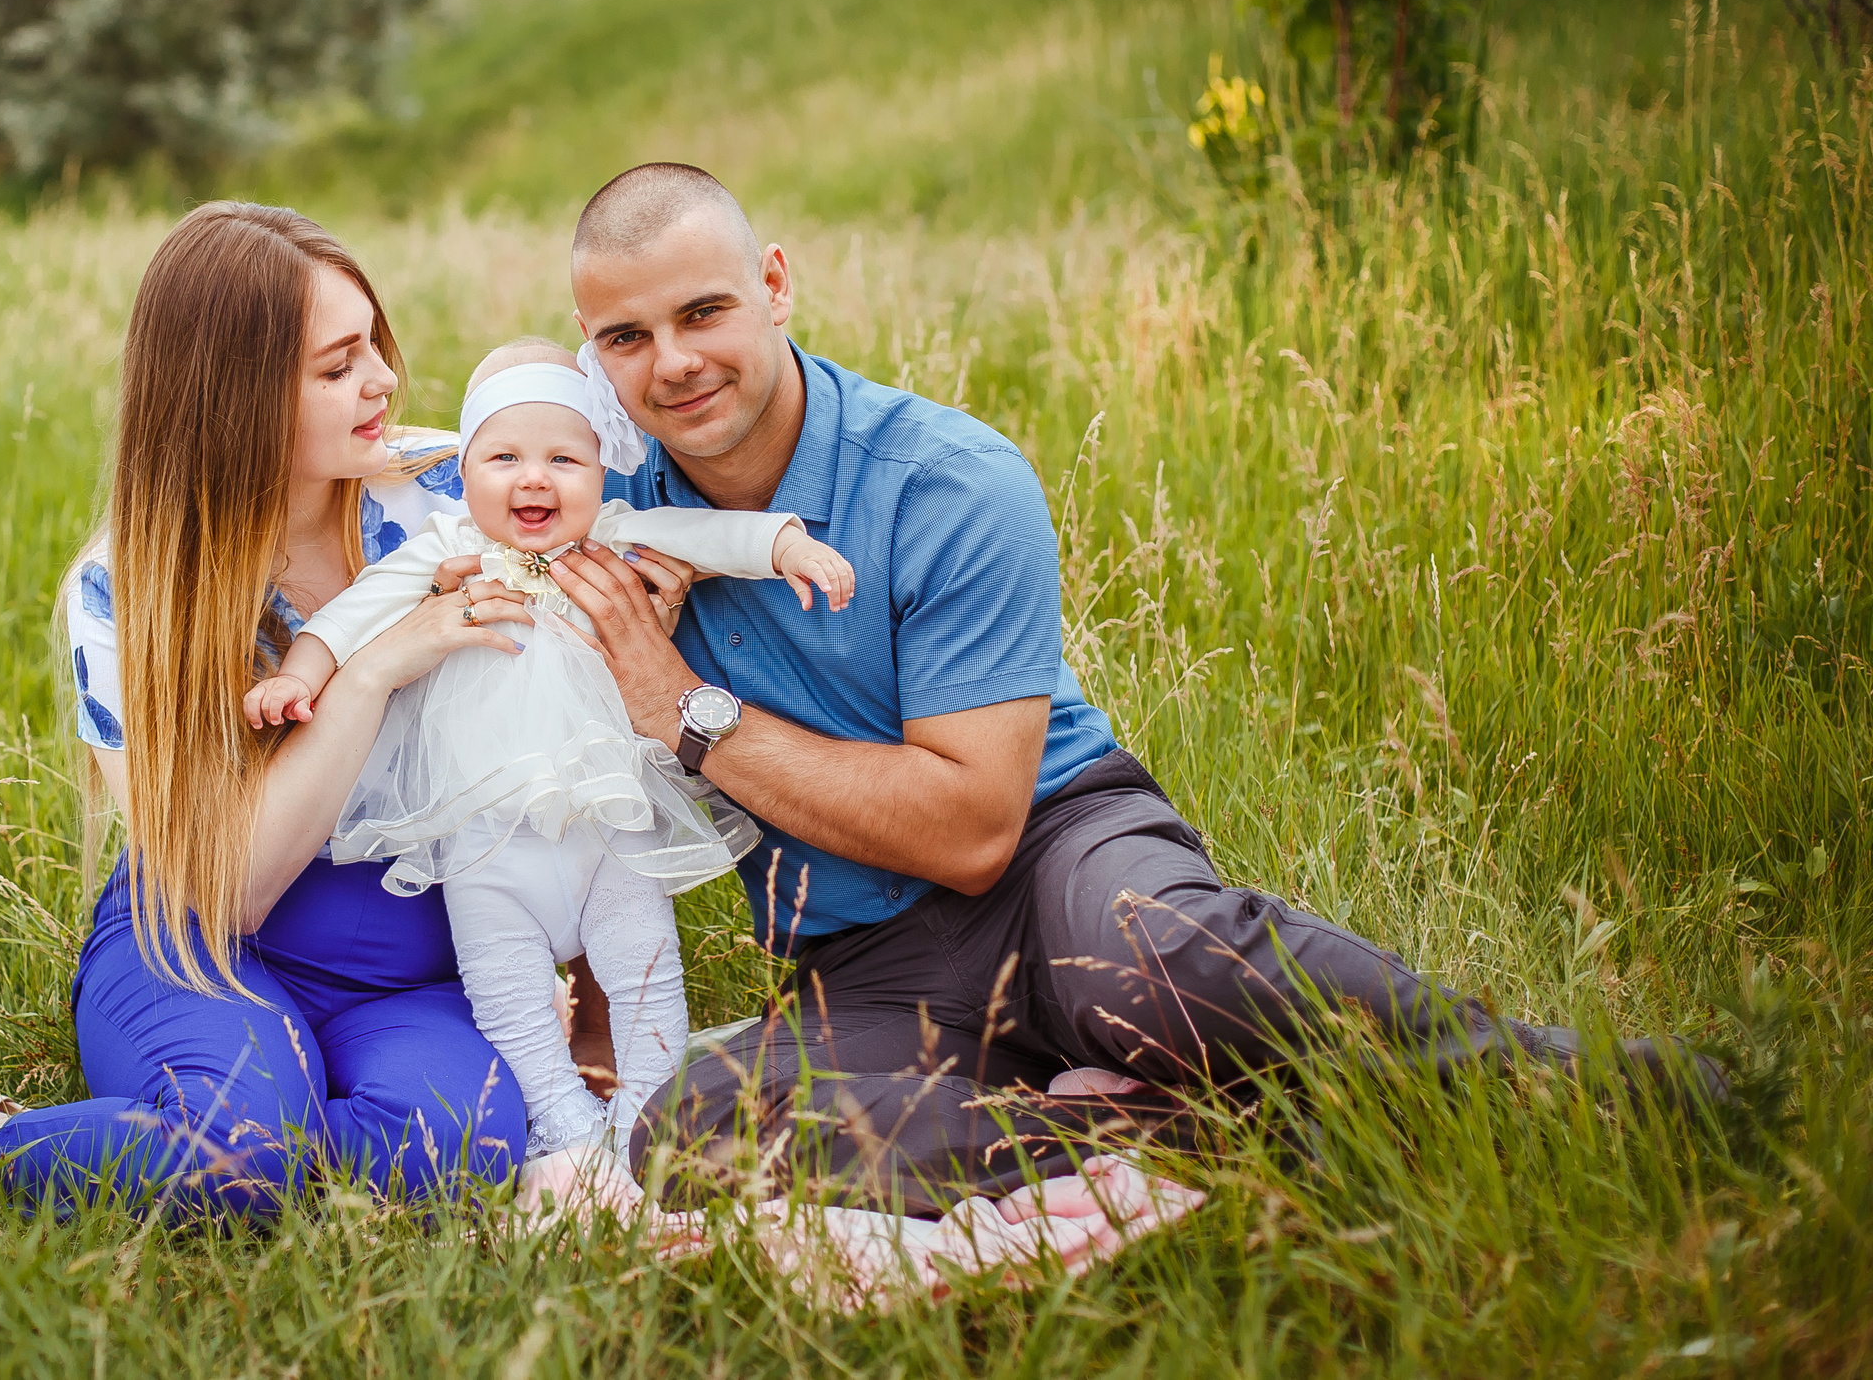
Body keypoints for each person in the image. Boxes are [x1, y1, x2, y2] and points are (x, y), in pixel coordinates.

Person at [535, 163, 1729, 1217]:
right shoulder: (607, 516)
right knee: (699, 1133)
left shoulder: (946, 478)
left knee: (1153, 957)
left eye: (703, 311)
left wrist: (682, 704)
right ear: (591, 352)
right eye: (625, 338)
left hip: (1053, 857)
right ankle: (1179, 1133)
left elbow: (971, 828)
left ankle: (1568, 1082)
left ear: (776, 284)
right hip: (868, 961)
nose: (673, 364)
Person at [0, 202, 559, 1216]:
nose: (383, 380)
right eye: (338, 365)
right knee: (246, 1153)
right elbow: (229, 893)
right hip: (200, 943)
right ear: (240, 399)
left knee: (453, 1149)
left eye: (375, 347)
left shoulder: (455, 499)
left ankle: (196, 1146)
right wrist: (367, 670)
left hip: (407, 968)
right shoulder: (129, 592)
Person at [245, 336, 853, 1161]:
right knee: (505, 988)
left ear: (602, 473)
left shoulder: (614, 535)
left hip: (608, 821)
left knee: (646, 965)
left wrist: (786, 546)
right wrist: (300, 675)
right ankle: (559, 1116)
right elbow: (352, 613)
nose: (534, 477)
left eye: (565, 457)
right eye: (503, 456)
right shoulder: (445, 550)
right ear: (465, 474)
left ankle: (648, 1112)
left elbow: (710, 535)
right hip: (486, 835)